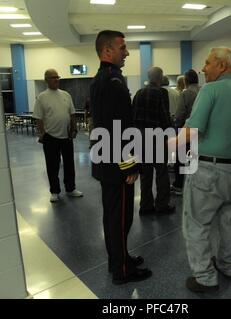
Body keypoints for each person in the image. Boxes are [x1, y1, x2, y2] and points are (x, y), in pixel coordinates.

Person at [172, 47, 231, 293]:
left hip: (209, 170)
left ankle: (205, 278)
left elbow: (192, 130)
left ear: (221, 65)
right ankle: (227, 265)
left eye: (207, 63)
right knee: (229, 221)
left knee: (197, 223)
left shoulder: (210, 90)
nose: (203, 68)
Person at [90, 30, 152, 284]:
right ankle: (122, 270)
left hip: (106, 162)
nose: (127, 52)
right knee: (120, 218)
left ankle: (118, 258)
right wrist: (129, 166)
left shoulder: (101, 79)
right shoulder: (113, 81)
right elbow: (119, 130)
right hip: (117, 165)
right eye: (122, 48)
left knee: (112, 216)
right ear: (107, 51)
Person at [33, 69, 83, 203]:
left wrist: (74, 128)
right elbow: (38, 118)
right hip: (50, 137)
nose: (56, 80)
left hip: (66, 136)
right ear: (46, 80)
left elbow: (72, 113)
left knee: (69, 164)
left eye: (58, 77)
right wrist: (42, 134)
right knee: (52, 165)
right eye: (53, 77)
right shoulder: (42, 97)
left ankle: (70, 189)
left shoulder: (66, 94)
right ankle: (54, 191)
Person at [133, 67, 175, 215]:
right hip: (156, 136)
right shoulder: (161, 93)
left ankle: (145, 206)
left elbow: (133, 116)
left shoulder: (138, 93)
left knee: (145, 172)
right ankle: (162, 205)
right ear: (160, 78)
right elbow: (164, 117)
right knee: (161, 172)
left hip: (140, 136)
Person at [171, 69, 201, 195]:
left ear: (185, 81)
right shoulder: (203, 90)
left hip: (187, 129)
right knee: (195, 158)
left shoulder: (186, 93)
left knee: (181, 158)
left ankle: (179, 186)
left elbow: (179, 115)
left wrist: (175, 124)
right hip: (201, 132)